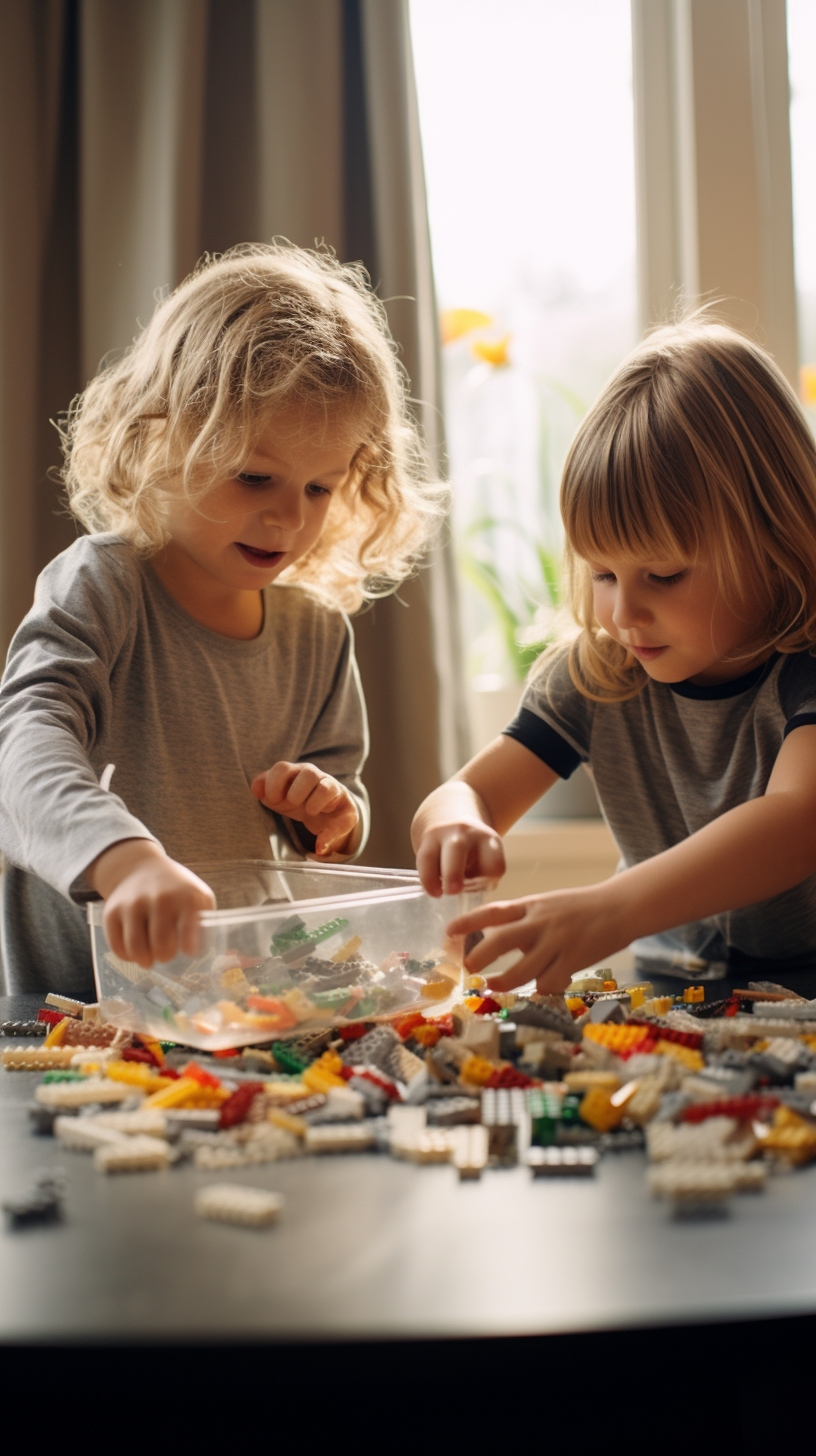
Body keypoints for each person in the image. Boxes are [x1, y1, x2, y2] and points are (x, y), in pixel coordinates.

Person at [0, 242, 442, 997]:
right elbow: (23, 746)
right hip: (77, 1011)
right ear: (166, 436)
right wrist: (124, 860)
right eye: (255, 477)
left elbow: (339, 798)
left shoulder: (318, 633)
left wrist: (331, 814)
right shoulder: (103, 585)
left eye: (319, 488)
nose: (286, 516)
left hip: (241, 1003)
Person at [413, 320, 816, 1000]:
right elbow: (468, 790)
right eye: (603, 575)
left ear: (774, 541)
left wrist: (614, 906)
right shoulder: (600, 674)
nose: (624, 615)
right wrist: (457, 821)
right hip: (671, 994)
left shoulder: (802, 673)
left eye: (663, 575)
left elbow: (798, 819)